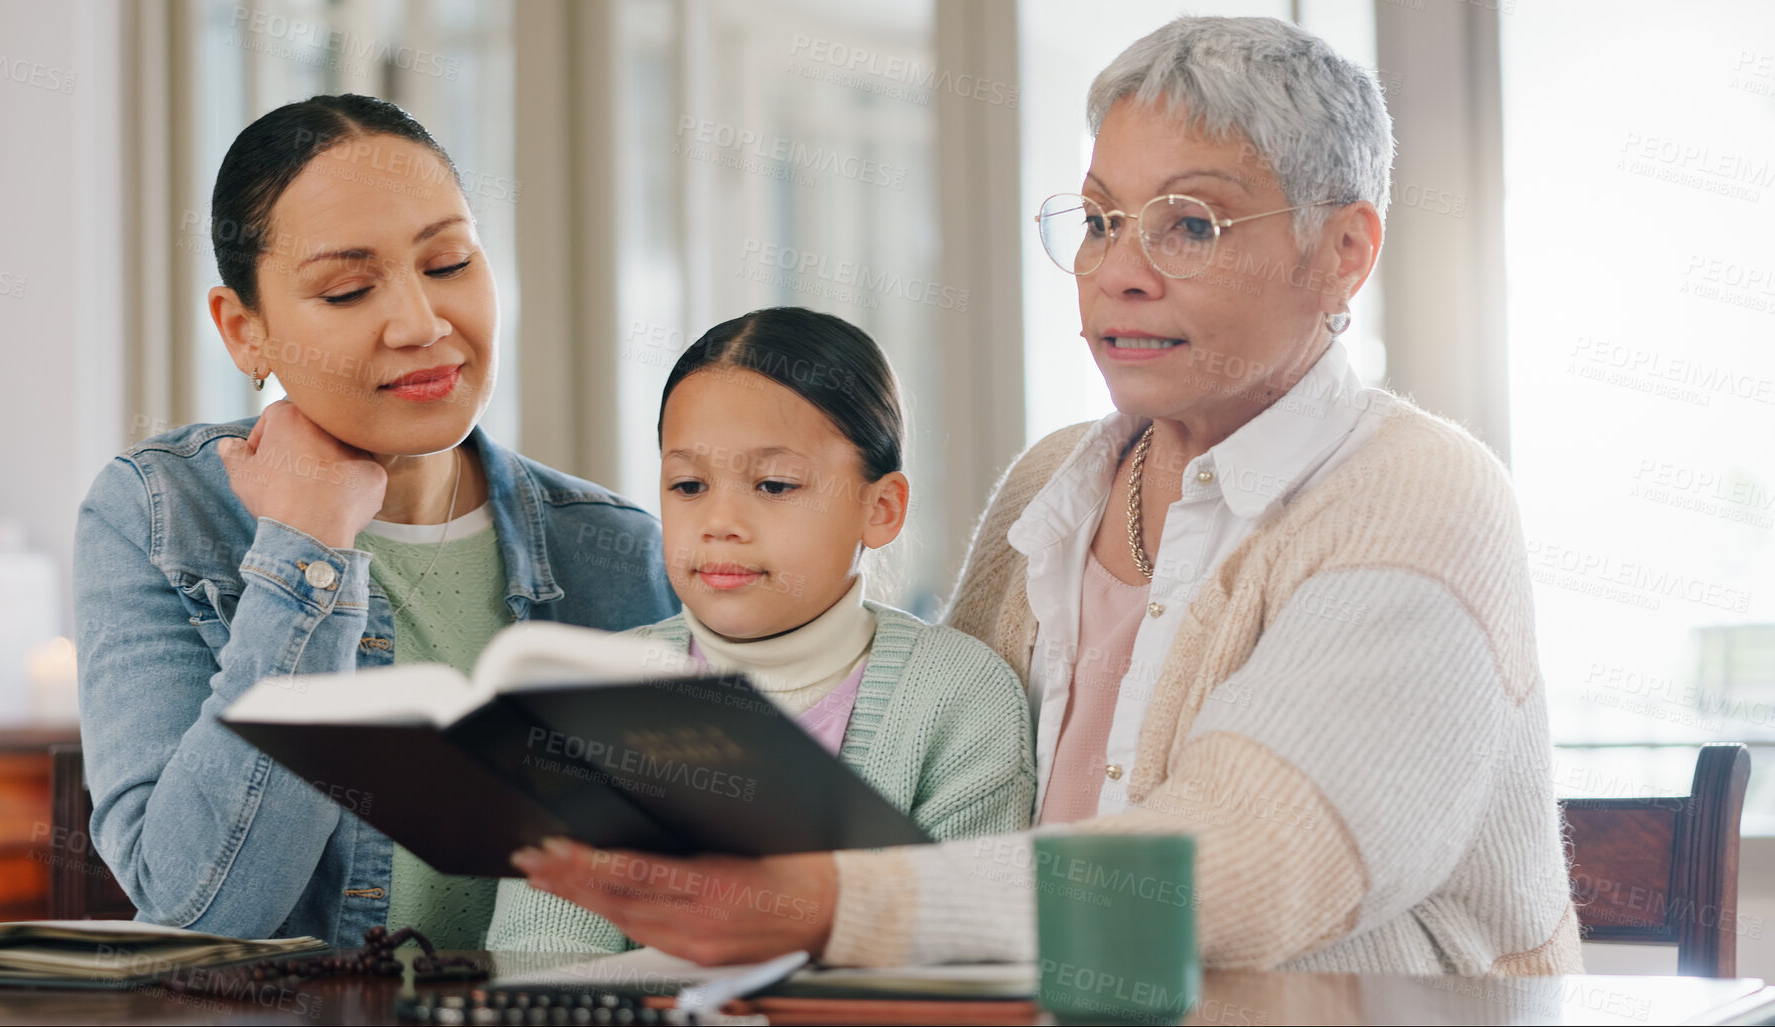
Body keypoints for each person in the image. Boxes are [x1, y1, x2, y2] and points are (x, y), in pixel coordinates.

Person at [513, 16, 1583, 976]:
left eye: (1191, 225)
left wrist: (826, 901)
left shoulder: (1421, 495)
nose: (1117, 270)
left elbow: (1249, 869)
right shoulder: (1056, 479)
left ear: (1343, 251)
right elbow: (938, 773)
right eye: (1102, 218)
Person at [74, 94, 677, 946]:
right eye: (348, 288)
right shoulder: (162, 513)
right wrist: (305, 554)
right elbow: (198, 914)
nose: (422, 323)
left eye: (447, 263)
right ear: (245, 331)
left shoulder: (614, 548)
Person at [489, 307, 1036, 952]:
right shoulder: (589, 696)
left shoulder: (960, 694)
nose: (719, 521)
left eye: (774, 485)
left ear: (881, 508)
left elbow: (965, 956)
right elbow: (543, 958)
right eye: (688, 485)